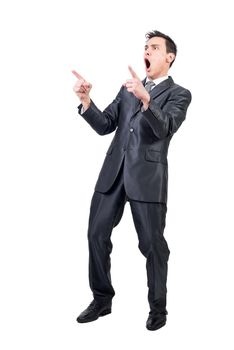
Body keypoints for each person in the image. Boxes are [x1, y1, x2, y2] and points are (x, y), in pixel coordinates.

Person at [72, 30, 192, 331]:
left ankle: (158, 309)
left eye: (154, 47)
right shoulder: (128, 89)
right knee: (96, 234)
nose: (147, 52)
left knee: (152, 244)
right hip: (113, 173)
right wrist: (87, 101)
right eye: (145, 48)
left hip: (147, 178)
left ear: (169, 56)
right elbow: (105, 125)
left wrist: (148, 100)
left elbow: (165, 128)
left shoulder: (179, 94)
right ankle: (102, 299)